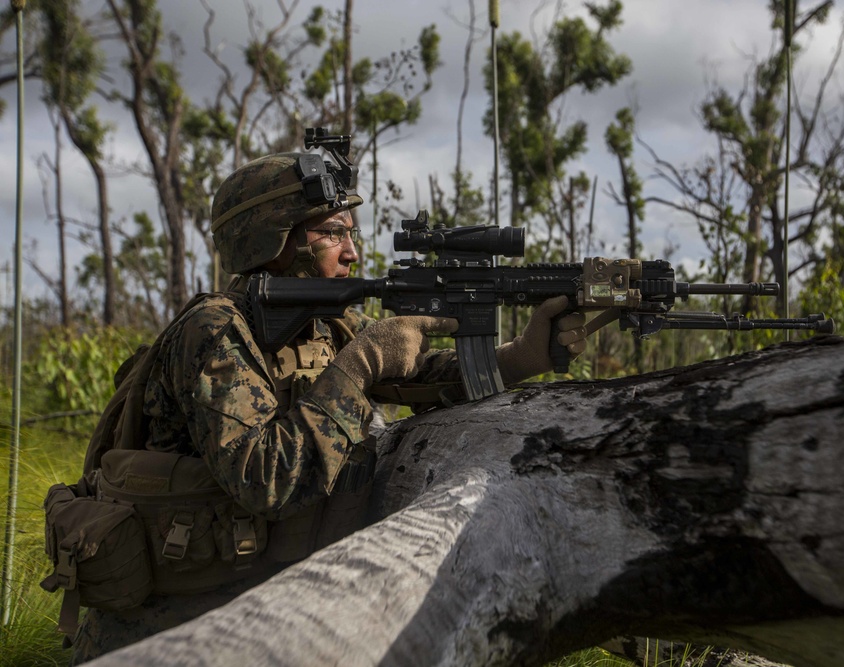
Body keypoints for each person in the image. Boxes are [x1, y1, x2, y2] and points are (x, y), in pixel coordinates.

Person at [65, 150, 587, 663]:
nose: (352, 252)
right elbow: (264, 478)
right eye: (333, 233)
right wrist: (358, 366)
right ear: (272, 240)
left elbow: (414, 373)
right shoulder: (215, 331)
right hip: (175, 630)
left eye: (351, 233)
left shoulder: (320, 322)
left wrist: (522, 356)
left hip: (262, 600)